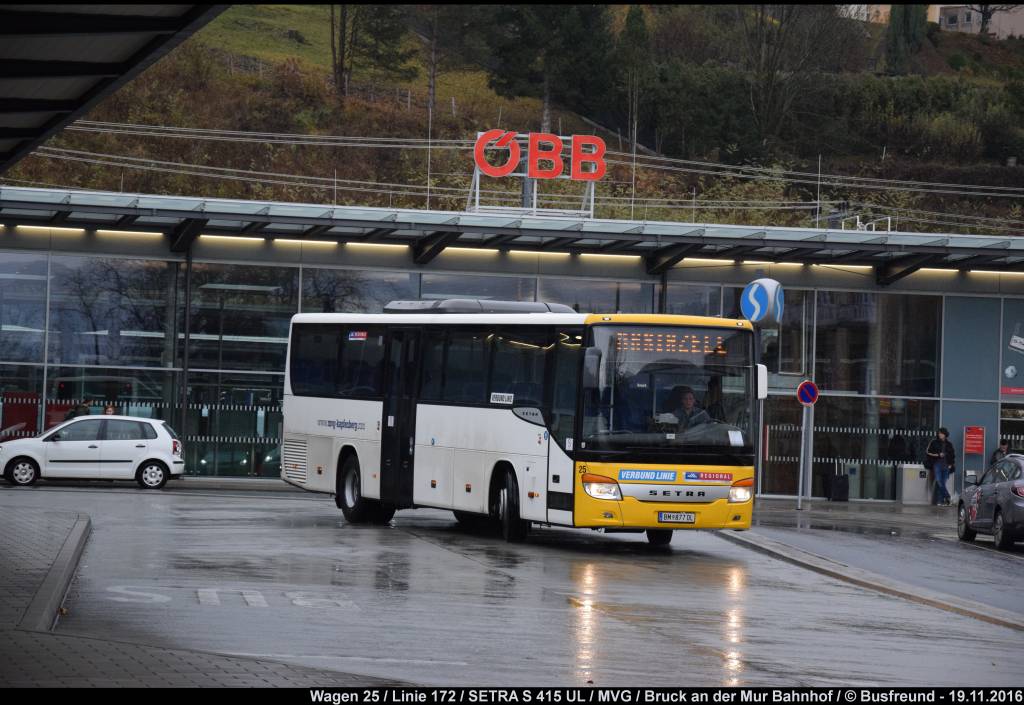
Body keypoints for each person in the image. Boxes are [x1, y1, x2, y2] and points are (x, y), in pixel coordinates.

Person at [926, 427, 956, 506]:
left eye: (941, 433)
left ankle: (941, 501)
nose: (940, 435)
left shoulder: (949, 444)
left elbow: (952, 455)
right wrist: (938, 455)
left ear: (945, 434)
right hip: (937, 464)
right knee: (939, 482)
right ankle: (948, 497)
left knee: (943, 483)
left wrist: (950, 464)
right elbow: (928, 452)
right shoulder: (934, 442)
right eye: (939, 433)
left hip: (946, 465)